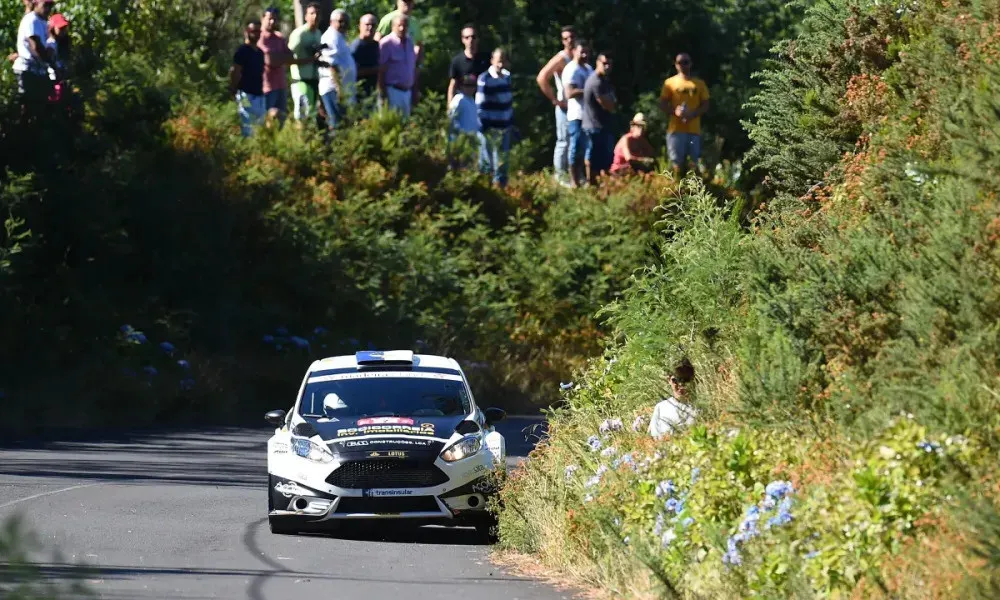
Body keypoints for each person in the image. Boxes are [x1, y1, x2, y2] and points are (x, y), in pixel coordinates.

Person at [658, 52, 710, 176]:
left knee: (693, 163)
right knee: (676, 163)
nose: (683, 65)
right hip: (676, 130)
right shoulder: (669, 83)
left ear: (690, 64)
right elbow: (662, 104)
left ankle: (693, 191)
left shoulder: (699, 84)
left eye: (686, 62)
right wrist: (675, 112)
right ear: (676, 65)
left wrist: (692, 114)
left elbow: (706, 105)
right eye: (680, 62)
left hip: (693, 130)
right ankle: (676, 189)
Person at [535, 25, 575, 187]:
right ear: (562, 40)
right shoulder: (561, 59)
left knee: (575, 141)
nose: (569, 41)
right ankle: (560, 176)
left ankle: (573, 175)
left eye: (571, 37)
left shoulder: (579, 56)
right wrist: (554, 100)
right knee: (563, 140)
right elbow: (542, 77)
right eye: (565, 38)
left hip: (578, 106)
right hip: (564, 105)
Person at [476, 48, 514, 188]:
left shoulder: (507, 77)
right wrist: (483, 125)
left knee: (503, 161)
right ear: (492, 61)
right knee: (488, 161)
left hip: (505, 126)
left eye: (503, 61)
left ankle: (502, 189)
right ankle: (485, 188)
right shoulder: (485, 79)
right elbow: (479, 104)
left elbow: (508, 102)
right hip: (490, 127)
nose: (501, 64)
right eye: (498, 61)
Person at [375, 0, 423, 103]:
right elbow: (377, 43)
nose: (407, 4)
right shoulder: (388, 19)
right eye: (404, 1)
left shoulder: (414, 22)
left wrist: (418, 66)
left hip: (407, 83)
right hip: (391, 85)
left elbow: (419, 45)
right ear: (397, 2)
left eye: (410, 2)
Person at [560, 39, 593, 187]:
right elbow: (569, 93)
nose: (585, 54)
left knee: (589, 149)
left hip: (589, 116)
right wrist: (588, 91)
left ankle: (588, 180)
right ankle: (574, 182)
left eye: (587, 52)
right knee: (575, 148)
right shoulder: (571, 69)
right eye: (582, 52)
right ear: (574, 52)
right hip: (576, 115)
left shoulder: (588, 68)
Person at [12, 0, 56, 107]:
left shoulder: (43, 22)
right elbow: (36, 47)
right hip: (27, 69)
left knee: (38, 106)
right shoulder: (32, 20)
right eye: (45, 5)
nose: (48, 9)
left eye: (50, 6)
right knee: (27, 105)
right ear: (36, 4)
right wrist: (51, 64)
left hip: (37, 70)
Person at [319, 9, 357, 130]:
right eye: (340, 21)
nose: (344, 24)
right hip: (334, 88)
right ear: (331, 22)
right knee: (338, 124)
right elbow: (332, 66)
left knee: (345, 124)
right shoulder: (331, 37)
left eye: (346, 21)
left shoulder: (340, 37)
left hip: (343, 89)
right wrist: (339, 89)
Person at [582, 51, 616, 184]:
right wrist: (611, 102)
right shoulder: (596, 81)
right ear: (597, 63)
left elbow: (612, 101)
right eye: (604, 63)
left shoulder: (604, 81)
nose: (607, 66)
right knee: (593, 159)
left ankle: (602, 187)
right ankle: (591, 186)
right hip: (593, 126)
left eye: (609, 64)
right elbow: (608, 104)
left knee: (605, 160)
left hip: (602, 125)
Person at [230, 20, 266, 137]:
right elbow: (236, 71)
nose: (256, 34)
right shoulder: (242, 51)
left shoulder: (260, 53)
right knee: (247, 125)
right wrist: (233, 89)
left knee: (260, 127)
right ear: (247, 32)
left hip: (259, 95)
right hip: (245, 94)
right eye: (253, 31)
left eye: (258, 31)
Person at [288, 2, 323, 125]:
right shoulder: (299, 34)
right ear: (306, 16)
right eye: (312, 13)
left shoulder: (318, 33)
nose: (315, 16)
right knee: (302, 117)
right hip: (300, 81)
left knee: (311, 115)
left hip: (314, 80)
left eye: (318, 13)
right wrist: (310, 60)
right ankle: (299, 142)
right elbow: (287, 59)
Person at [377, 15, 416, 118]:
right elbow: (380, 71)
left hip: (407, 92)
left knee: (405, 128)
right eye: (399, 25)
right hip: (392, 91)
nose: (402, 28)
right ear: (393, 26)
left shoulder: (410, 42)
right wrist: (383, 94)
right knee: (392, 125)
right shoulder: (386, 43)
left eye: (405, 26)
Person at [648, 359, 698, 438]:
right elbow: (652, 439)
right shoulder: (661, 408)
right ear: (669, 380)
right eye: (676, 380)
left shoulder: (700, 408)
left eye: (685, 380)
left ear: (693, 380)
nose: (681, 384)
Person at [447, 24, 489, 106]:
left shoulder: (486, 59)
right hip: (465, 105)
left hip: (484, 106)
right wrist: (450, 107)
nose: (470, 40)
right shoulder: (457, 61)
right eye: (467, 37)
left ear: (478, 39)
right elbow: (453, 86)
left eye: (473, 37)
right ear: (462, 40)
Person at [447, 74, 479, 169]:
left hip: (471, 141)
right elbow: (451, 118)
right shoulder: (458, 99)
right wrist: (458, 137)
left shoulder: (472, 100)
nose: (470, 88)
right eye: (467, 85)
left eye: (473, 85)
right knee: (458, 167)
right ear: (461, 86)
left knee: (468, 168)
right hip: (460, 141)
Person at [350, 14, 380, 107]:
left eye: (373, 25)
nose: (370, 28)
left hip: (373, 92)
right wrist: (377, 69)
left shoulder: (376, 45)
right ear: (360, 26)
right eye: (367, 25)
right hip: (359, 93)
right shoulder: (356, 47)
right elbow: (353, 72)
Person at [45, 12, 70, 104]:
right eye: (60, 28)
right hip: (52, 79)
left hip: (58, 78)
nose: (63, 31)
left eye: (64, 28)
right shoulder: (51, 43)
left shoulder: (60, 43)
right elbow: (49, 59)